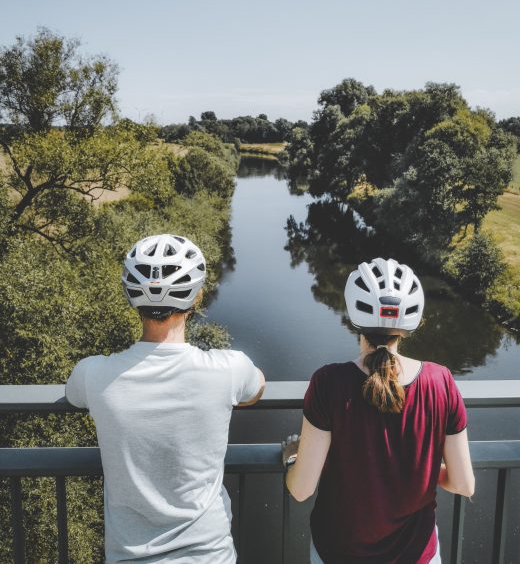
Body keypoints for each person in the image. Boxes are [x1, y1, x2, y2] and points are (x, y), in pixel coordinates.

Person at [66, 233, 265, 563]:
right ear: (196, 297)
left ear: (132, 298)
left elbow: (73, 395)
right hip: (209, 556)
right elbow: (257, 387)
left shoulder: (95, 375)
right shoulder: (228, 369)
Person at [282, 257, 474, 564]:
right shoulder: (441, 381)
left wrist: (292, 461)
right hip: (418, 555)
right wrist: (418, 472)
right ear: (410, 323)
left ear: (354, 316)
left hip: (340, 553)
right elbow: (464, 484)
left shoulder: (328, 382)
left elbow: (302, 489)